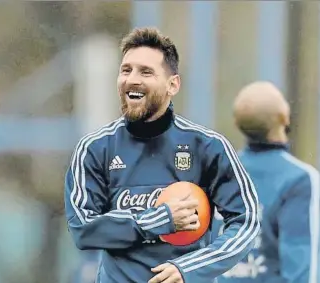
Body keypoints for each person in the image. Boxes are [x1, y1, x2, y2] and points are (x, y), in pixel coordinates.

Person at [63, 27, 260, 283]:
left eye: (146, 72)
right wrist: (160, 219)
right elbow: (82, 229)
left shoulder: (208, 146)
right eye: (126, 70)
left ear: (172, 85)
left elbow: (246, 222)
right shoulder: (95, 148)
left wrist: (189, 269)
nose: (132, 79)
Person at [211, 81, 320, 283]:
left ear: (236, 124)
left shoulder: (219, 171)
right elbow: (298, 259)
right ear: (284, 118)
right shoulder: (299, 178)